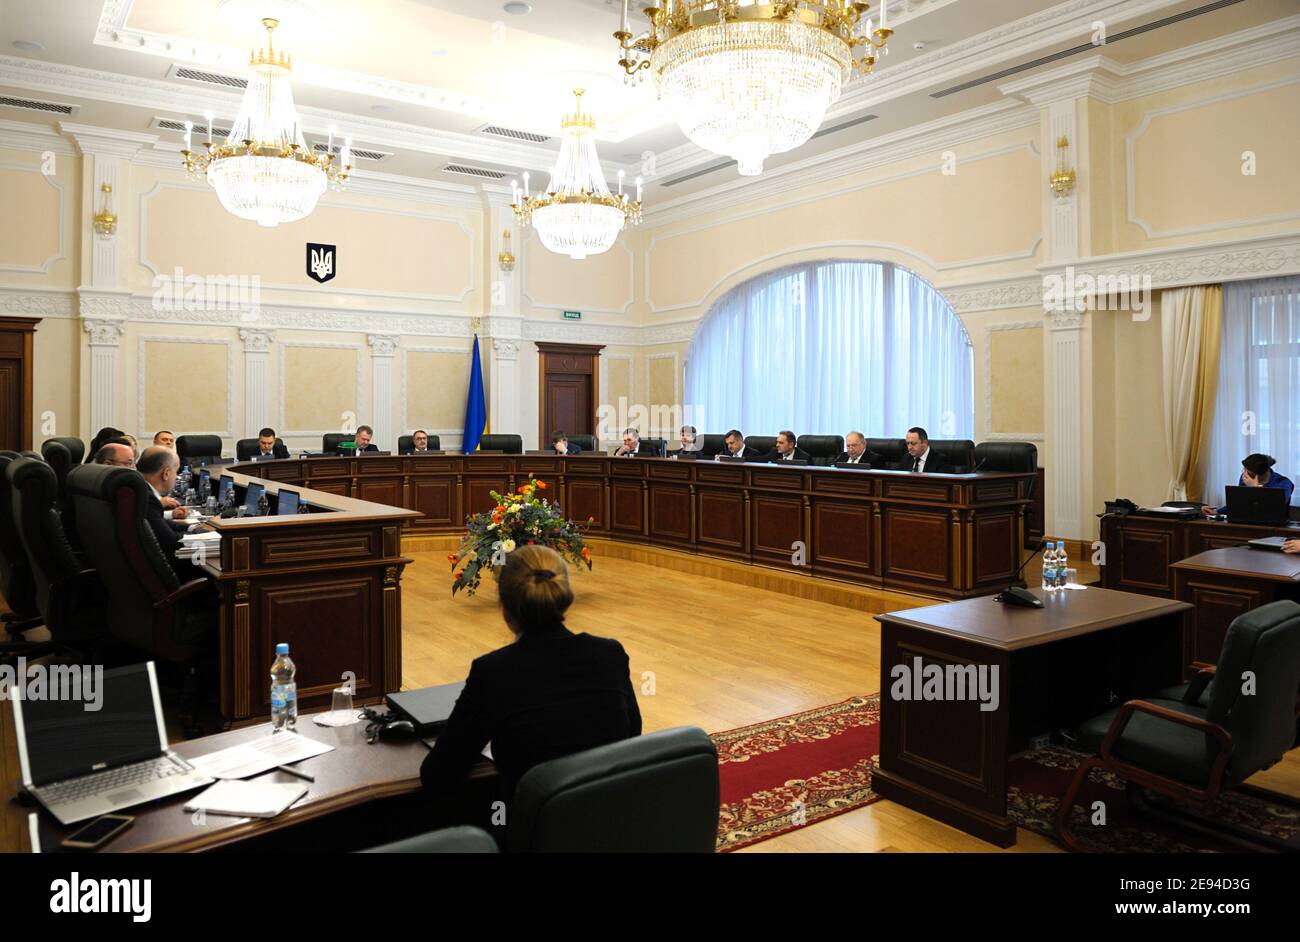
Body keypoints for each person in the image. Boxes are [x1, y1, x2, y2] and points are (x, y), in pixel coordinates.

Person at [420, 545, 641, 811]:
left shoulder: (493, 672)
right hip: (612, 820)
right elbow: (632, 736)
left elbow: (438, 775)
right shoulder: (610, 655)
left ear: (505, 609)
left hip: (534, 829)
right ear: (563, 597)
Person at [137, 446, 194, 577]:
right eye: (176, 472)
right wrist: (204, 537)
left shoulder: (141, 489)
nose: (176, 477)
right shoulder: (148, 498)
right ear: (166, 473)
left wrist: (191, 528)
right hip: (161, 574)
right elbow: (170, 542)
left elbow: (159, 523)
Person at [1201, 453, 1295, 516]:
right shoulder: (1246, 480)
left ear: (1260, 474)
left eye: (1248, 472)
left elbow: (1274, 507)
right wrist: (1216, 511)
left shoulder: (1283, 483)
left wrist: (1255, 489)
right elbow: (1238, 503)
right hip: (1247, 521)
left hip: (1274, 525)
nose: (1244, 474)